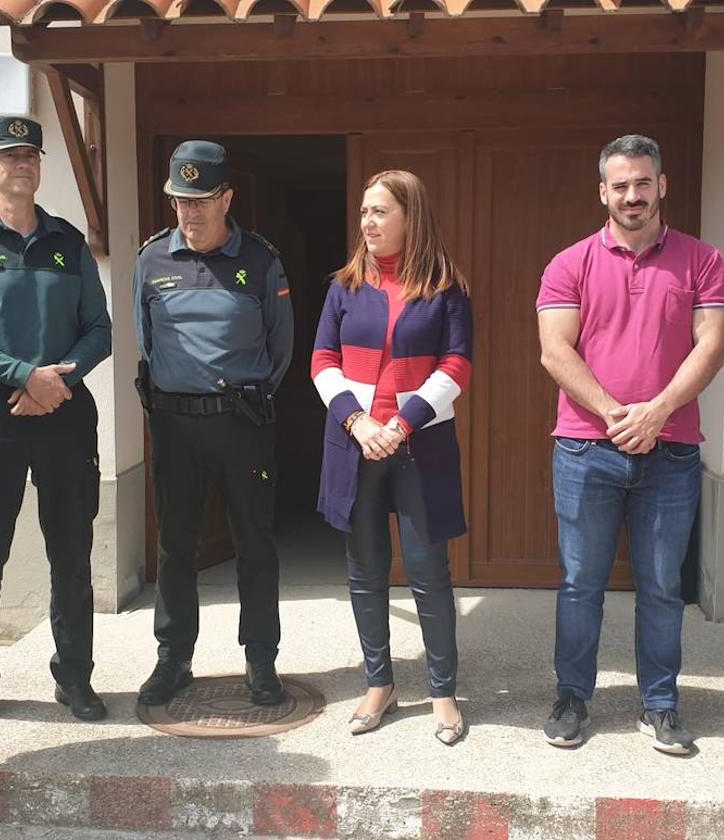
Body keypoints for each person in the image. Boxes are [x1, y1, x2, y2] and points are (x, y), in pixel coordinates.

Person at [536, 134, 724, 754]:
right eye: (619, 185)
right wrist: (615, 413)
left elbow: (712, 345)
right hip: (585, 449)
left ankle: (661, 704)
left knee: (662, 587)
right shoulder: (569, 263)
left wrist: (658, 411)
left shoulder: (702, 261)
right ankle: (573, 696)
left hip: (671, 449)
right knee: (579, 584)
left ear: (661, 185)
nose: (631, 196)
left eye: (642, 183)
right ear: (603, 192)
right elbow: (554, 349)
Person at [0, 117, 113, 732]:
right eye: (8, 155)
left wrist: (55, 382)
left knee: (72, 550)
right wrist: (23, 375)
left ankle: (75, 677)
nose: (22, 164)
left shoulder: (66, 241)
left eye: (31, 155)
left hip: (63, 412)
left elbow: (101, 329)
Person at [311, 169, 473, 745]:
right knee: (365, 572)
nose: (367, 223)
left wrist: (402, 424)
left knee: (429, 573)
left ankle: (442, 692)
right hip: (356, 446)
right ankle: (379, 684)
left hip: (418, 447)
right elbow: (322, 360)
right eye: (363, 212)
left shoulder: (446, 288)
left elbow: (456, 366)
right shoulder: (343, 287)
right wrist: (358, 421)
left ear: (411, 217)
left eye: (380, 211)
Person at [134, 140, 294, 708]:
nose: (190, 212)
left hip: (242, 423)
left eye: (202, 200)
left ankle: (261, 660)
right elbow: (145, 341)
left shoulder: (260, 261)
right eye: (180, 200)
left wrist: (246, 398)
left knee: (255, 543)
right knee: (176, 547)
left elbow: (281, 349)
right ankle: (173, 660)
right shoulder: (151, 259)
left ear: (227, 197)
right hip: (176, 427)